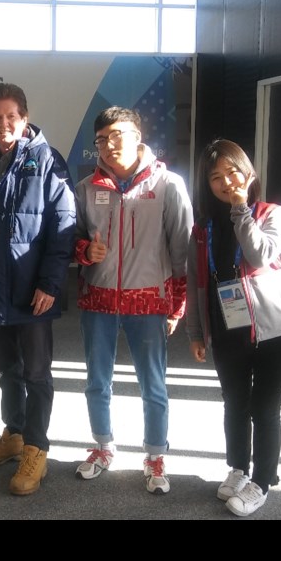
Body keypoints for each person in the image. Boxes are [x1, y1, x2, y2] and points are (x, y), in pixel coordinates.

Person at [72, 107, 193, 494]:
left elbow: (182, 249)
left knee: (153, 384)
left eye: (118, 136)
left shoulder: (168, 184)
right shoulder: (86, 188)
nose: (109, 146)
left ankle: (155, 455)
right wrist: (84, 250)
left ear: (138, 136)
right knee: (96, 381)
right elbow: (71, 239)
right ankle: (103, 446)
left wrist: (177, 303)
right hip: (99, 299)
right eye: (102, 140)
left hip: (149, 300)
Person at [0, 82, 76, 496]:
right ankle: (13, 434)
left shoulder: (48, 160)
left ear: (25, 119)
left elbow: (63, 227)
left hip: (33, 289)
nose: (3, 123)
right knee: (6, 368)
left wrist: (51, 283)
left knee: (37, 373)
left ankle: (36, 448)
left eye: (11, 116)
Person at [186, 138, 281, 517]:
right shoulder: (203, 228)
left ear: (249, 172)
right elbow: (196, 281)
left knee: (264, 408)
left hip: (272, 330)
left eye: (232, 172)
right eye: (215, 177)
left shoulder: (272, 214)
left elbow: (260, 254)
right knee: (234, 403)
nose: (224, 181)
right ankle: (238, 467)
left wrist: (240, 209)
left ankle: (263, 481)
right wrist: (196, 332)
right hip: (226, 328)